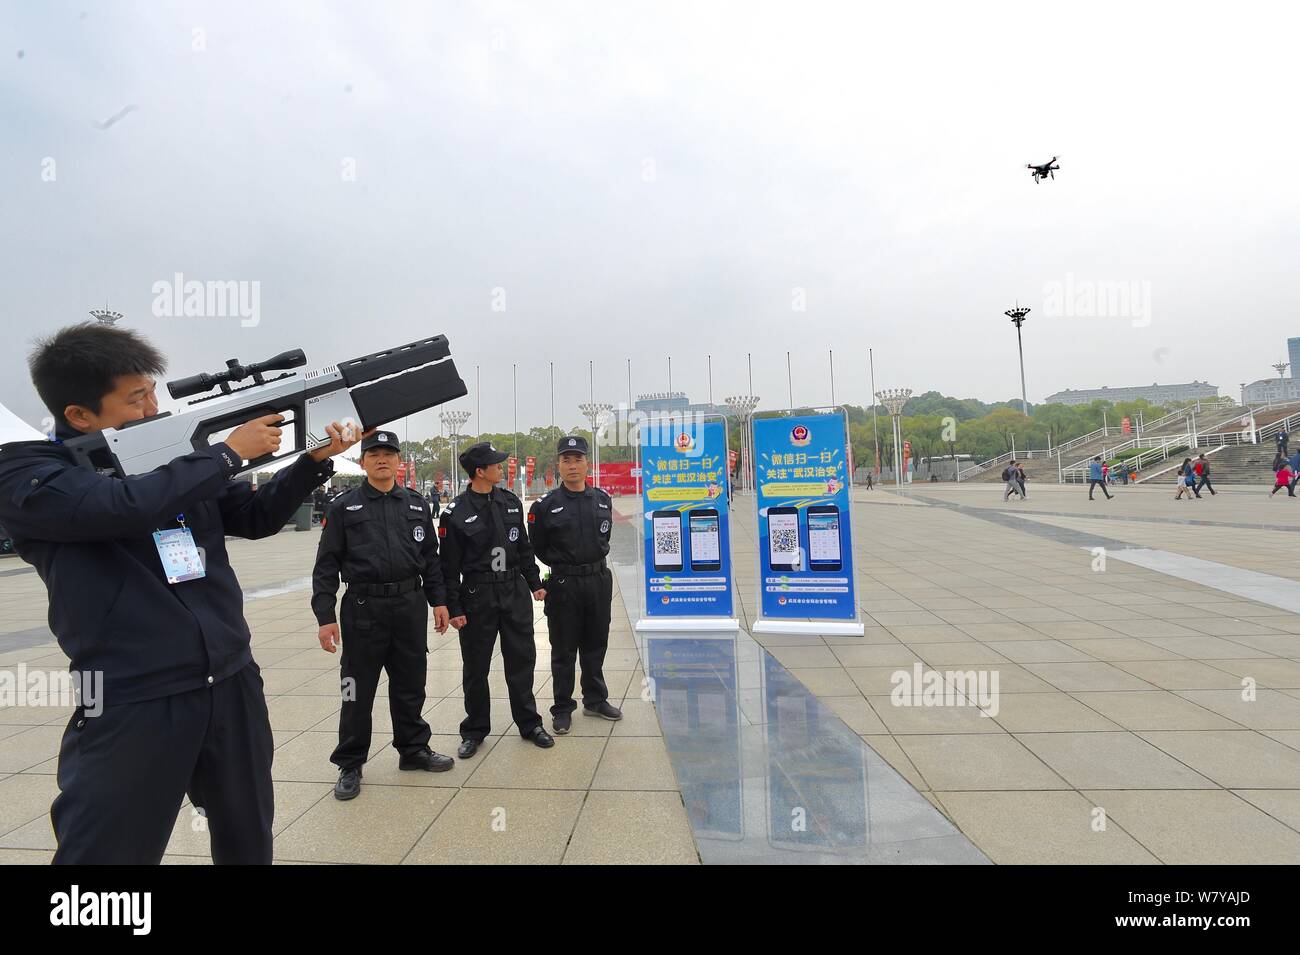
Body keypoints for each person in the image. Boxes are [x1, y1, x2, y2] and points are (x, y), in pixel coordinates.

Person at [0, 322, 358, 864]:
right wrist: (224, 455)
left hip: (231, 679)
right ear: (79, 415)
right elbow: (117, 507)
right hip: (133, 697)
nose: (151, 409)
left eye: (152, 392)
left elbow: (255, 516)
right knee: (103, 856)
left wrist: (311, 463)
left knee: (247, 834)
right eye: (135, 398)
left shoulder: (167, 456)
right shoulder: (30, 472)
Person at [312, 431, 454, 801]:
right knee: (356, 689)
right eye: (374, 453)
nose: (382, 459)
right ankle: (350, 762)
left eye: (389, 453)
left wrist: (439, 601)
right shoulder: (344, 507)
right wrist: (324, 615)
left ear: (399, 461)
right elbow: (326, 564)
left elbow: (431, 560)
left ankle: (413, 750)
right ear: (362, 462)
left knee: (410, 682)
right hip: (363, 607)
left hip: (409, 603)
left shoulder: (417, 504)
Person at [439, 442, 553, 755]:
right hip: (477, 594)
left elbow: (524, 548)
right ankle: (474, 730)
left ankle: (529, 723)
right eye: (496, 465)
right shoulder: (455, 513)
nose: (502, 469)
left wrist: (534, 583)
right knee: (475, 667)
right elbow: (448, 568)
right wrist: (454, 608)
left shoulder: (511, 502)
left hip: (513, 591)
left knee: (522, 660)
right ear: (480, 471)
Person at [527, 435, 622, 735]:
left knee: (596, 643)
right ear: (558, 465)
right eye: (566, 460)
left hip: (597, 580)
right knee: (564, 649)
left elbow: (604, 538)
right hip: (564, 582)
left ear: (586, 463)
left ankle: (595, 699)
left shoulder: (602, 499)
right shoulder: (545, 506)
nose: (572, 465)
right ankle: (563, 707)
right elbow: (538, 546)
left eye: (577, 459)